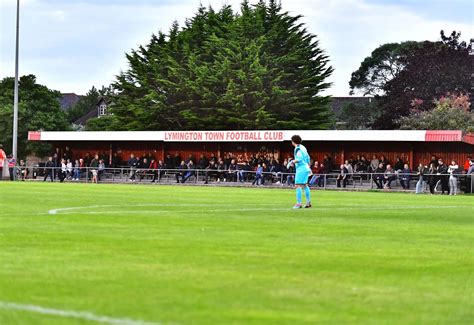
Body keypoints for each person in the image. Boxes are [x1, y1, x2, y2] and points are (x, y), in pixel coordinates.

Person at [290, 135, 311, 209]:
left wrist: (292, 162)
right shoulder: (303, 147)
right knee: (305, 185)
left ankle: (299, 204)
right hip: (306, 168)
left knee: (298, 185)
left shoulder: (298, 148)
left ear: (293, 141)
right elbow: (308, 157)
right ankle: (308, 203)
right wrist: (308, 166)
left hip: (301, 168)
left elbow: (299, 159)